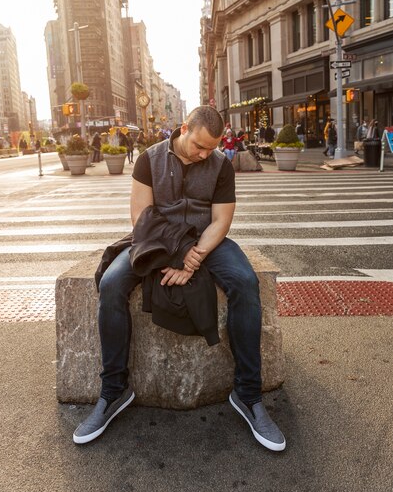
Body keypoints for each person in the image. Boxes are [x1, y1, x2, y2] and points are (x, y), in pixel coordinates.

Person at [73, 106, 285, 451]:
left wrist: (194, 257)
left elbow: (221, 221)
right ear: (184, 128)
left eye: (211, 148)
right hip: (156, 240)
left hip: (206, 241)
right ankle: (113, 392)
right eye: (199, 146)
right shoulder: (148, 159)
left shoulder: (219, 164)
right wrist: (176, 254)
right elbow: (139, 217)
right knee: (111, 285)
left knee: (245, 283)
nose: (204, 154)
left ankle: (248, 395)